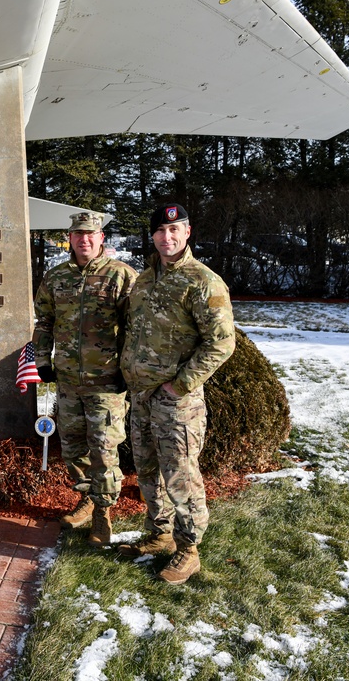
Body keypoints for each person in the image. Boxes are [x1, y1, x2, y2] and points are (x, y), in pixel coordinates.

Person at [119, 203, 235, 584]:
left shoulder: (203, 281)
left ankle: (188, 550)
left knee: (180, 475)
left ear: (187, 233)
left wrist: (179, 384)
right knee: (148, 470)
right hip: (141, 397)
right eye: (160, 231)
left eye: (175, 230)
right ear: (152, 236)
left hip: (176, 401)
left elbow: (221, 343)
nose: (166, 237)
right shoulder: (145, 278)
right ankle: (160, 534)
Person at [33, 211, 137, 547]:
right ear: (70, 238)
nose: (85, 240)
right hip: (67, 381)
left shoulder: (122, 276)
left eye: (91, 234)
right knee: (74, 448)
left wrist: (128, 370)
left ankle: (103, 516)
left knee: (104, 450)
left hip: (107, 382)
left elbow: (136, 330)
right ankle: (87, 498)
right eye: (78, 235)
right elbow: (44, 321)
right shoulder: (56, 277)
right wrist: (41, 361)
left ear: (101, 237)